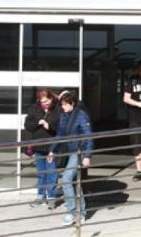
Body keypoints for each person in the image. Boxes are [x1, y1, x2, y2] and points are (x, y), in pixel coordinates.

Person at [48, 90, 92, 226]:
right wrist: (52, 150)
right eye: (62, 105)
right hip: (70, 150)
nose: (62, 107)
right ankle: (81, 213)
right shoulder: (64, 115)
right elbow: (60, 134)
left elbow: (88, 136)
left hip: (79, 151)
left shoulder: (81, 115)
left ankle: (73, 213)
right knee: (74, 182)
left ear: (72, 103)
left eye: (65, 104)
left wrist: (87, 155)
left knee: (66, 179)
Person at [23, 87, 60, 209]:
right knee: (41, 173)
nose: (45, 104)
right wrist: (38, 123)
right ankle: (40, 196)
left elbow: (60, 127)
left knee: (51, 173)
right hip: (38, 146)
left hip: (51, 147)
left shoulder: (57, 108)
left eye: (47, 101)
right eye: (42, 102)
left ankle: (51, 198)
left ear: (51, 98)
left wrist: (49, 126)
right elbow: (27, 125)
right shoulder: (34, 108)